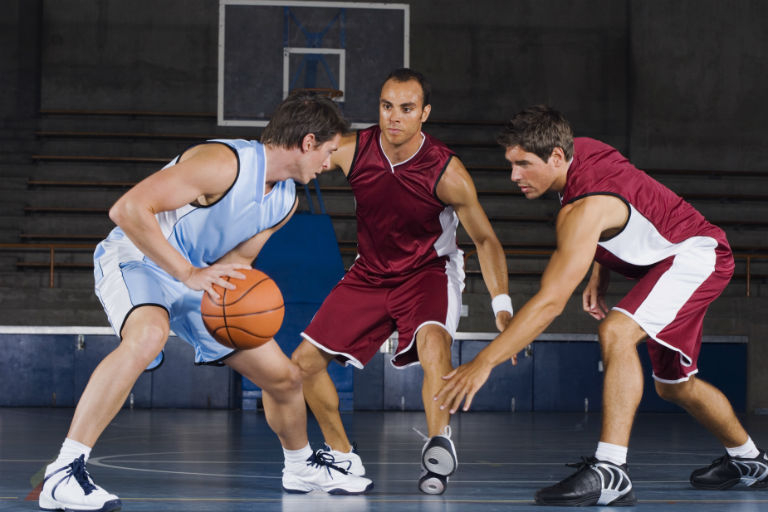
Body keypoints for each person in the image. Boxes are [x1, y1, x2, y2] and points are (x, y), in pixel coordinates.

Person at [38, 92, 373, 512]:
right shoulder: (224, 164)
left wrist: (239, 305)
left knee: (285, 378)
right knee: (148, 337)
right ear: (307, 143)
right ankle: (64, 472)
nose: (329, 164)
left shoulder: (285, 202)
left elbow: (239, 264)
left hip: (197, 278)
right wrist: (187, 273)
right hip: (138, 256)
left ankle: (300, 465)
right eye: (326, 152)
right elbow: (128, 209)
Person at [435, 105, 767, 506]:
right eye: (511, 164)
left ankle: (611, 470)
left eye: (523, 164)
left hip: (696, 255)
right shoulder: (583, 149)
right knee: (675, 386)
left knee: (616, 332)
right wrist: (600, 270)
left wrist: (482, 362)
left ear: (557, 157)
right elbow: (624, 201)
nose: (514, 176)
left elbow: (552, 301)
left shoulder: (580, 210)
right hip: (665, 262)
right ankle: (750, 461)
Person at [291, 68, 513, 495]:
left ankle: (438, 443)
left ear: (424, 113)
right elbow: (300, 160)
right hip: (370, 274)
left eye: (406, 109)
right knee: (302, 364)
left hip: (427, 272)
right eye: (386, 106)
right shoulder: (354, 150)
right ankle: (342, 455)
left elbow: (485, 239)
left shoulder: (446, 171)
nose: (393, 117)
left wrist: (501, 304)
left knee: (433, 345)